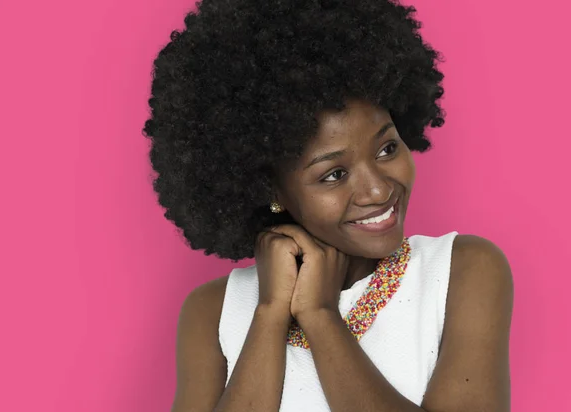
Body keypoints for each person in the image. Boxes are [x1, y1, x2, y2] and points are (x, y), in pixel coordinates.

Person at [142, 0, 514, 410]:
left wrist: (320, 315)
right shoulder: (213, 311)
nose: (376, 190)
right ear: (270, 189)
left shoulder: (463, 270)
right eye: (334, 174)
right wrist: (269, 312)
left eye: (387, 148)